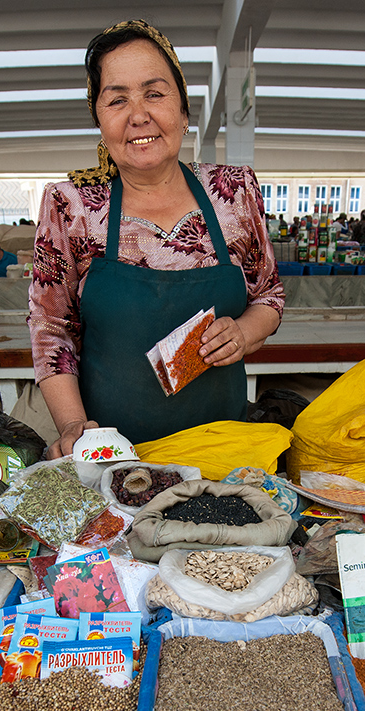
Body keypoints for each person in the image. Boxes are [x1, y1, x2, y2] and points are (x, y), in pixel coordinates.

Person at [28, 19, 284, 456]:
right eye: (117, 99)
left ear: (183, 112)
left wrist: (244, 332)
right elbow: (52, 329)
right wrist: (72, 425)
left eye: (154, 93)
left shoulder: (234, 191)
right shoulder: (72, 205)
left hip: (222, 449)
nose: (138, 115)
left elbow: (269, 296)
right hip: (114, 456)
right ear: (99, 120)